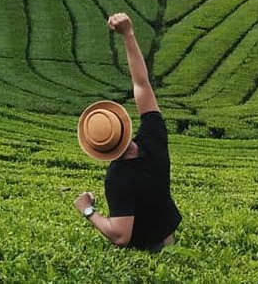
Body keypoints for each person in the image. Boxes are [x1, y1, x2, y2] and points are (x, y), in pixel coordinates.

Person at [72, 13, 182, 251]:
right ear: (123, 126)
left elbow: (121, 236)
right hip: (170, 240)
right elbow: (142, 85)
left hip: (147, 253)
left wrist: (87, 209)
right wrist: (128, 34)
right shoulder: (153, 137)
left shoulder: (118, 178)